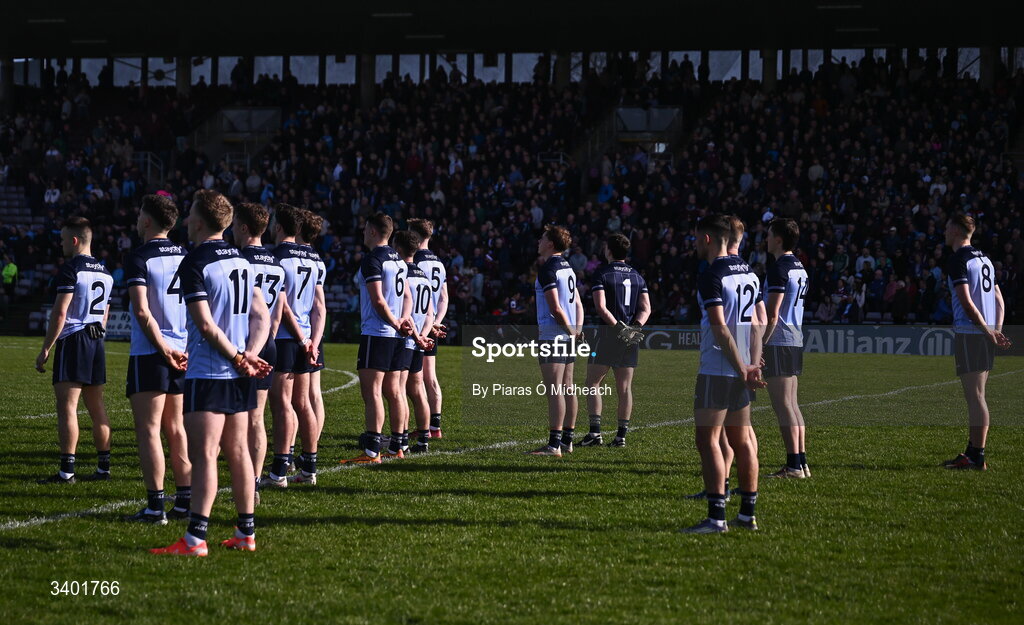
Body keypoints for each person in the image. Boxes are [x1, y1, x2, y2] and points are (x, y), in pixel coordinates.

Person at [151, 190, 271, 557]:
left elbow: (203, 324)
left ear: (201, 221)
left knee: (205, 453)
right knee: (238, 452)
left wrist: (238, 356)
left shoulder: (195, 262)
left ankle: (195, 539)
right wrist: (250, 354)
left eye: (189, 215)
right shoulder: (240, 259)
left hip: (210, 370)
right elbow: (261, 315)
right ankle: (246, 532)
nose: (186, 221)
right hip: (238, 371)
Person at [682, 215, 764, 534]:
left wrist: (742, 366)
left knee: (708, 440)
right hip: (742, 367)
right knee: (742, 441)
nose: (694, 244)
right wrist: (752, 364)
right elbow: (759, 322)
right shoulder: (749, 273)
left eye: (696, 238)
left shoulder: (712, 274)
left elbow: (719, 328)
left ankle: (716, 518)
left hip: (718, 368)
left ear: (707, 239)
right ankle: (747, 514)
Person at [123, 194, 192, 523]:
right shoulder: (186, 255)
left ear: (148, 220)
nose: (137, 220)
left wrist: (163, 348)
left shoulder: (139, 257)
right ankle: (184, 502)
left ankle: (155, 506)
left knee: (149, 429)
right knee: (176, 427)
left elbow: (140, 310)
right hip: (183, 350)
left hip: (153, 352)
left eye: (139, 214)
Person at [34, 216, 114, 484]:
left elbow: (60, 313)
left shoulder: (71, 269)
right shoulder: (105, 272)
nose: (61, 243)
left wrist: (46, 348)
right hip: (96, 340)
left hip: (74, 339)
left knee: (67, 407)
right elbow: (106, 312)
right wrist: (99, 330)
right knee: (97, 407)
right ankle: (104, 467)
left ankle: (67, 471)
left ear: (75, 240)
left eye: (63, 239)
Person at [341, 212, 413, 464]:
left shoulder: (373, 260)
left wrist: (395, 322)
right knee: (394, 392)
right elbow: (407, 298)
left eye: (364, 229)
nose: (362, 233)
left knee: (372, 392)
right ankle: (398, 445)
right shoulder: (400, 261)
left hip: (377, 332)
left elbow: (378, 300)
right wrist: (403, 322)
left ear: (373, 231)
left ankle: (372, 451)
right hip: (396, 336)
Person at [942, 214, 1011, 471]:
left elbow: (967, 303)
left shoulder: (959, 259)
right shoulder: (984, 259)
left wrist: (986, 331)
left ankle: (977, 456)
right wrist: (995, 330)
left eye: (948, 227)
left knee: (976, 397)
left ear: (958, 231)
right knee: (977, 395)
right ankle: (972, 451)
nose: (945, 231)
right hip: (984, 334)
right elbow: (999, 299)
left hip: (971, 334)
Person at [260, 204, 321, 488]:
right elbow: (319, 307)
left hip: (287, 338)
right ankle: (309, 467)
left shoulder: (277, 258)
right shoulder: (313, 258)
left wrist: (300, 338)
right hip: (307, 338)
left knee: (281, 403)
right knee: (303, 402)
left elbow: (283, 307)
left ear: (279, 227)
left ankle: (279, 471)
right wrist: (313, 342)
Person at [232, 202, 287, 501]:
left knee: (231, 415)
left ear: (243, 227)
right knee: (257, 418)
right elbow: (275, 314)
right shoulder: (276, 263)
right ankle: (252, 481)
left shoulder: (238, 260)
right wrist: (267, 342)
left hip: (241, 344)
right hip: (268, 344)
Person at [579, 233, 650, 448]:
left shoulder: (602, 273)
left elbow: (601, 307)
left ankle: (595, 433)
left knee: (592, 383)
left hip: (609, 335)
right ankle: (621, 437)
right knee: (625, 388)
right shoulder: (638, 276)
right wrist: (634, 328)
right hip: (631, 336)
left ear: (608, 250)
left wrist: (620, 328)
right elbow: (646, 308)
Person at [528, 225, 584, 457]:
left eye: (542, 238)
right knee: (568, 387)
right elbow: (579, 304)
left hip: (554, 335)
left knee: (555, 390)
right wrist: (577, 331)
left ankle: (553, 445)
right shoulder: (567, 268)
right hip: (568, 334)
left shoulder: (548, 268)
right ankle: (567, 442)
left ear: (550, 243)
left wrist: (570, 331)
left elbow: (556, 308)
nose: (539, 242)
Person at [762, 218, 811, 479]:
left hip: (779, 340)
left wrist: (760, 344)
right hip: (795, 338)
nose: (766, 239)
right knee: (792, 404)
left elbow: (772, 313)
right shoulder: (799, 266)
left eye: (769, 235)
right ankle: (801, 462)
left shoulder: (779, 267)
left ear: (778, 239)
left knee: (783, 406)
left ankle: (793, 465)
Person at [290, 210, 328, 476]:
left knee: (296, 399)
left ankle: (293, 450)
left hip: (296, 331)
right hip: (315, 331)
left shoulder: (292, 257)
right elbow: (320, 306)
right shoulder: (318, 260)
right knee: (313, 394)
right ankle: (311, 446)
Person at [392, 230, 436, 455]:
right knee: (417, 391)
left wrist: (415, 336)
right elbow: (430, 313)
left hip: (406, 338)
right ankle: (423, 441)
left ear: (398, 249)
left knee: (398, 391)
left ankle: (401, 441)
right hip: (419, 339)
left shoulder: (401, 274)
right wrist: (424, 336)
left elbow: (402, 310)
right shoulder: (423, 276)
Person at [409, 219, 449, 440]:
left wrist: (427, 323)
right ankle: (435, 426)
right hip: (432, 324)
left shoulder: (413, 259)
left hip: (417, 324)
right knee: (430, 377)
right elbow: (444, 298)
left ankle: (422, 428)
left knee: (413, 379)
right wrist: (436, 321)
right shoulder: (439, 263)